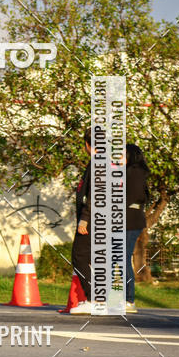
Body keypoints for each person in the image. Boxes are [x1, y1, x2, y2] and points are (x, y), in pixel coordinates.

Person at [69, 127, 93, 314]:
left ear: (87, 145)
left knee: (79, 256)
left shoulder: (97, 165)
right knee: (94, 257)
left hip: (93, 219)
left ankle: (94, 298)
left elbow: (97, 194)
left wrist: (84, 219)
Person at [124, 143, 150, 313]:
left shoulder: (134, 172)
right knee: (121, 258)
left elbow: (131, 196)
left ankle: (129, 299)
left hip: (130, 220)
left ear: (132, 155)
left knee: (123, 258)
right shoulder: (134, 172)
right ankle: (123, 297)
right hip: (130, 219)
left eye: (123, 154)